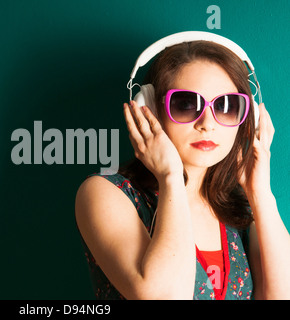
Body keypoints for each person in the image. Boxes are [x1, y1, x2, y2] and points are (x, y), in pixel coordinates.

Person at [75, 38, 290, 300]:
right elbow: (165, 295)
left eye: (226, 106)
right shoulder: (105, 194)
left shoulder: (241, 212)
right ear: (150, 109)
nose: (207, 124)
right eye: (187, 104)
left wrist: (260, 195)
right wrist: (171, 177)